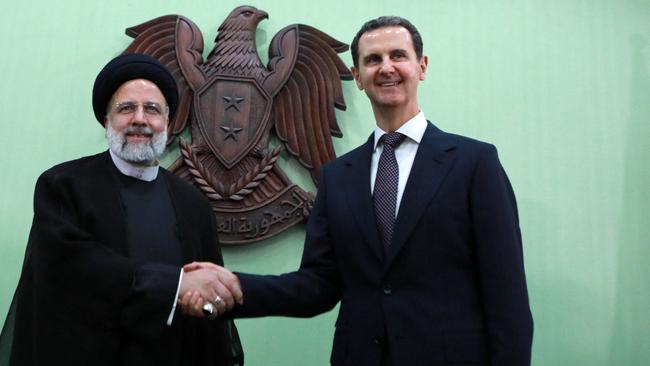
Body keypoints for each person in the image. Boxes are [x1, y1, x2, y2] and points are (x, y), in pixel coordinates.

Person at [184, 16, 533, 366]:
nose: (386, 68)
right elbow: (317, 286)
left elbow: (507, 295)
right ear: (358, 75)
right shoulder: (337, 177)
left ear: (421, 66)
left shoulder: (474, 164)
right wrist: (235, 287)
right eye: (373, 60)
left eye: (398, 55)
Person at [0, 53, 244, 366]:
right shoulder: (63, 186)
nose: (140, 119)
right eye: (126, 108)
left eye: (152, 110)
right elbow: (72, 272)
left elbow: (207, 305)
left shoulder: (192, 203)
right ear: (107, 120)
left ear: (167, 123)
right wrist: (175, 285)